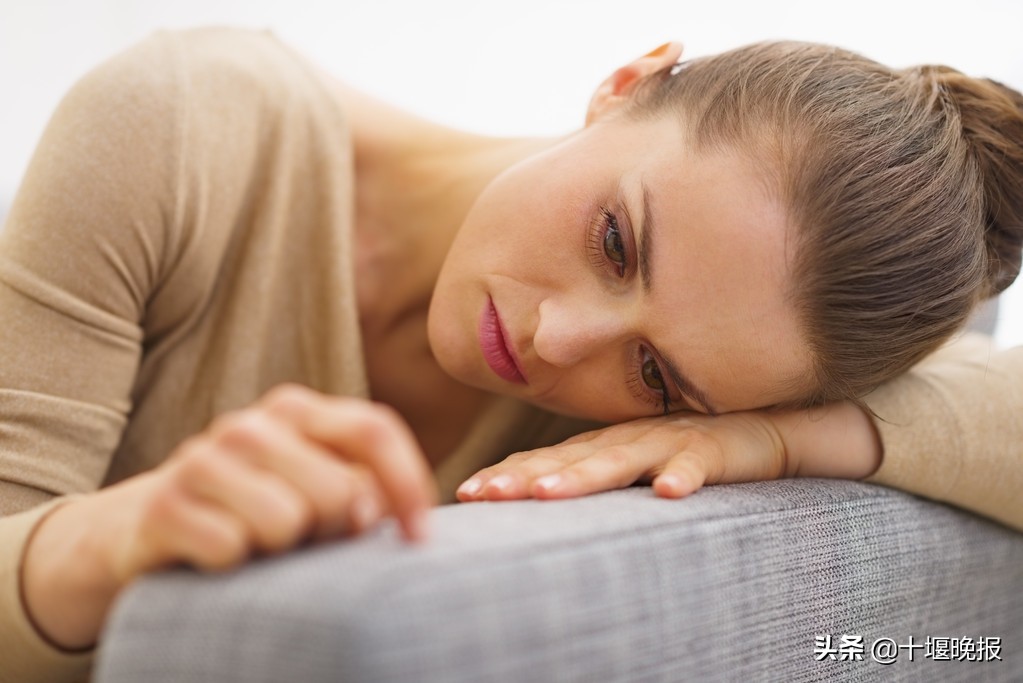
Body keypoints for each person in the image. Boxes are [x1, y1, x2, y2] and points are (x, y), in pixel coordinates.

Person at [0, 27, 1020, 683]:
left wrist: (784, 441)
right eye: (616, 242)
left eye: (657, 376)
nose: (556, 340)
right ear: (626, 83)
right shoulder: (189, 124)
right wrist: (118, 538)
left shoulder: (716, 405)